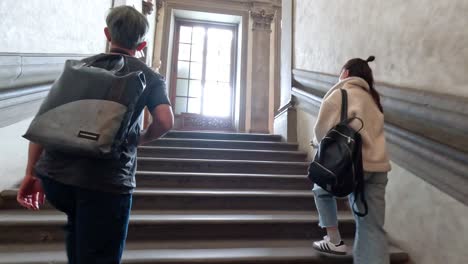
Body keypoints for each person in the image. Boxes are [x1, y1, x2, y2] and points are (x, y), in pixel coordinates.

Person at [16, 6, 174, 264]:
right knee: (99, 254)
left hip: (56, 176)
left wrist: (31, 173)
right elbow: (165, 121)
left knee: (78, 231)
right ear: (143, 44)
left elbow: (44, 122)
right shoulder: (150, 76)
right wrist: (140, 139)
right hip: (106, 181)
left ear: (107, 34)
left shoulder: (78, 68)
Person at [311, 56, 391, 264]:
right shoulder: (373, 100)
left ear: (346, 72)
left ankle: (334, 240)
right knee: (371, 229)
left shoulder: (340, 94)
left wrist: (316, 144)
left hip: (352, 166)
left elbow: (322, 132)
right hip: (379, 168)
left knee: (320, 186)